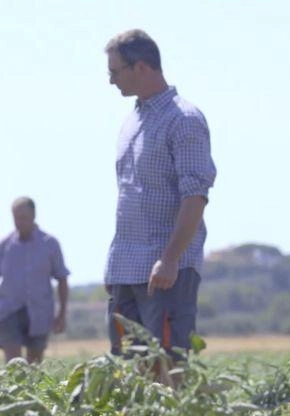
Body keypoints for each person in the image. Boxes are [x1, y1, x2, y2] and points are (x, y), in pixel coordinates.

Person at [103, 29, 217, 385]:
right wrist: (114, 267)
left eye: (115, 72)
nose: (110, 81)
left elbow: (195, 196)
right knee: (132, 369)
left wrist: (170, 258)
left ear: (140, 67)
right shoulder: (132, 121)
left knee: (169, 366)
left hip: (165, 270)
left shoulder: (184, 119)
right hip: (128, 268)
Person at [0, 197, 69, 363]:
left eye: (24, 218)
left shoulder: (50, 244)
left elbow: (62, 279)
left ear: (34, 216)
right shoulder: (3, 246)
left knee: (34, 366)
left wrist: (62, 313)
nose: (20, 222)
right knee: (14, 366)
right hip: (8, 312)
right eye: (16, 218)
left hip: (39, 312)